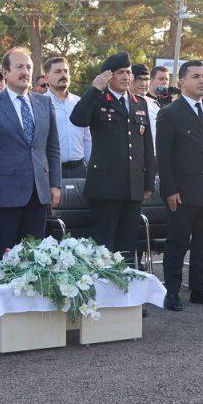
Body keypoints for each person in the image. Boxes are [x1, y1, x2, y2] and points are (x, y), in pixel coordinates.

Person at [0, 47, 62, 260]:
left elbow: (52, 147)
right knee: (4, 259)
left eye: (29, 67)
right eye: (19, 67)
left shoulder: (44, 103)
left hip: (38, 194)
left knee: (36, 259)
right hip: (4, 196)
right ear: (5, 72)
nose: (25, 71)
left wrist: (55, 184)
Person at [156, 60, 203, 311]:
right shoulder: (170, 113)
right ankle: (172, 293)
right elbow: (163, 157)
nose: (202, 81)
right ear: (181, 82)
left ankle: (199, 290)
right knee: (177, 243)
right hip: (183, 192)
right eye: (196, 76)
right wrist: (170, 190)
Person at [70, 52, 154, 263]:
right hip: (106, 186)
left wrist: (148, 182)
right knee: (104, 245)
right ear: (109, 77)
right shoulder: (98, 99)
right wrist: (94, 88)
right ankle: (104, 293)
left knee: (127, 245)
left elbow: (147, 145)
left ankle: (127, 291)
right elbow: (78, 119)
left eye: (128, 72)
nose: (126, 77)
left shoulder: (139, 103)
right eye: (120, 73)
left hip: (133, 185)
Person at [44, 56, 91, 178]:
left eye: (66, 71)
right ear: (46, 77)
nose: (63, 75)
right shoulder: (40, 104)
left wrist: (90, 169)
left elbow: (87, 138)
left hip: (80, 170)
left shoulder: (79, 102)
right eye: (58, 71)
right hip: (52, 172)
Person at [132, 64, 160, 154]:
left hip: (154, 155)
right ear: (131, 79)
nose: (144, 83)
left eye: (147, 79)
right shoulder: (125, 103)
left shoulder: (155, 105)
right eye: (139, 79)